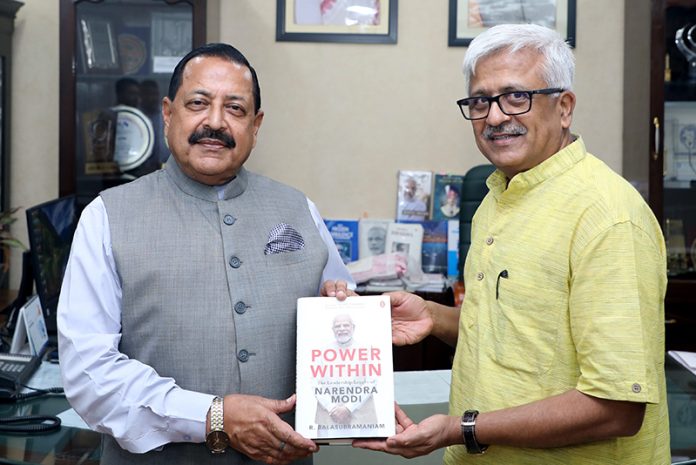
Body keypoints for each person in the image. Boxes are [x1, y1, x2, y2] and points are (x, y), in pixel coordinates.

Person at [353, 24, 670, 464]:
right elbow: (518, 331)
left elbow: (617, 407)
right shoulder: (497, 196)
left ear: (564, 107)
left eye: (517, 96)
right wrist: (433, 316)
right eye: (480, 101)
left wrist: (462, 429)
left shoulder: (608, 217)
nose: (496, 117)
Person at [57, 43, 355, 465]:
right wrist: (211, 416)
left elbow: (343, 313)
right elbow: (89, 373)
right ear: (167, 113)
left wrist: (343, 313)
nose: (214, 122)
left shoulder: (299, 209)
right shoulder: (106, 217)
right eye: (198, 103)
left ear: (256, 125)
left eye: (235, 109)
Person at [314, 314, 378, 433]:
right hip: (328, 415)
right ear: (333, 330)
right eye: (338, 326)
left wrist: (348, 408)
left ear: (353, 327)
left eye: (346, 325)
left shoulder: (367, 350)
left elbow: (371, 382)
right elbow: (315, 383)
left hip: (361, 414)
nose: (342, 328)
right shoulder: (322, 352)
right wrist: (332, 408)